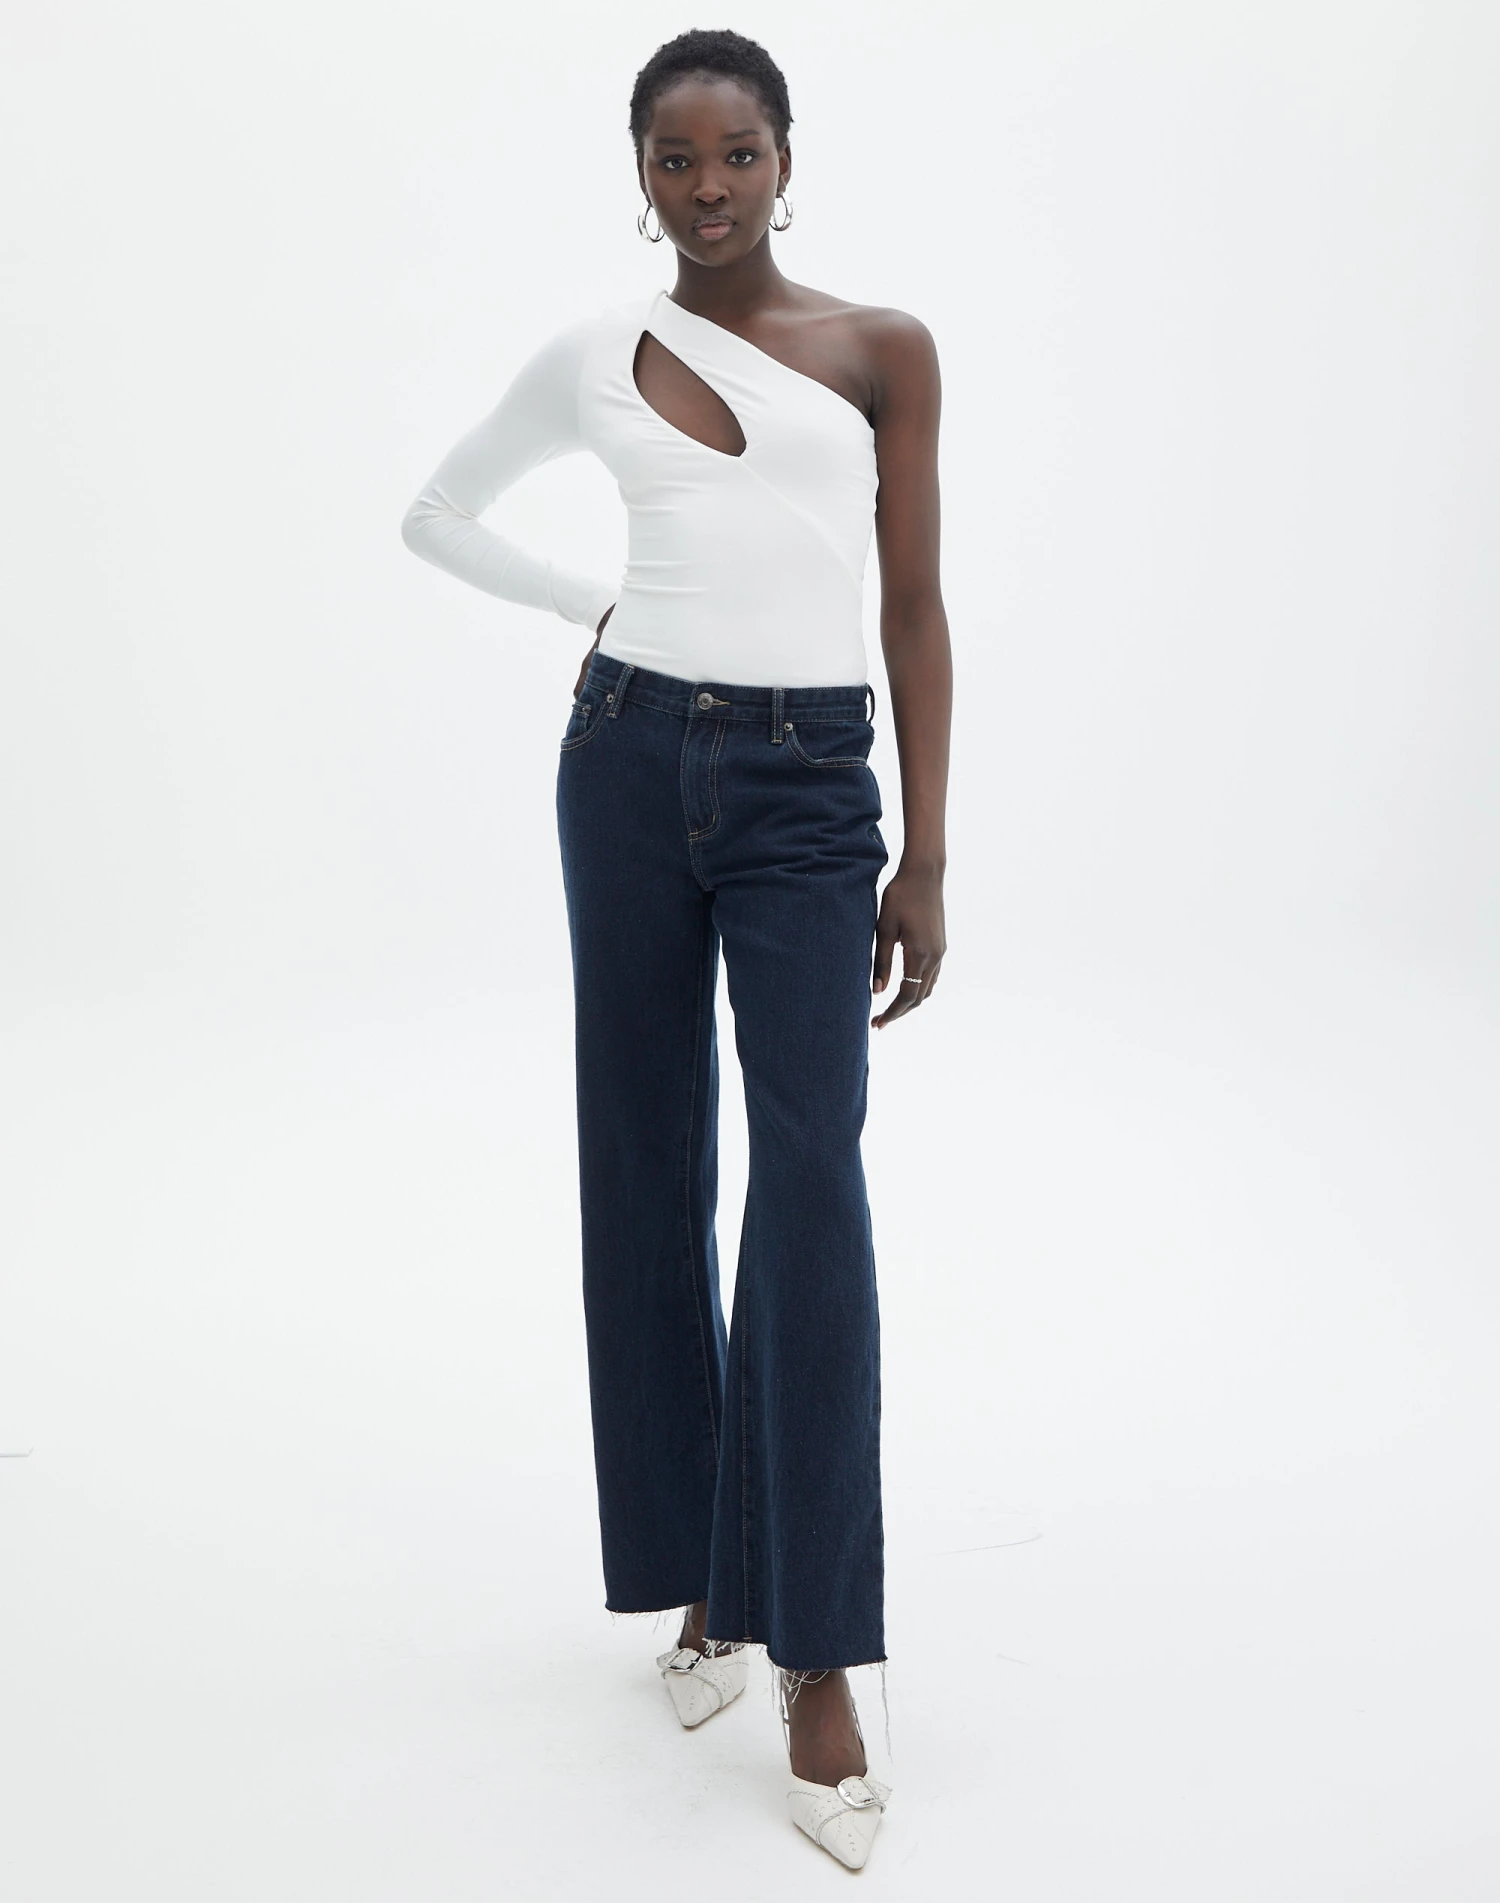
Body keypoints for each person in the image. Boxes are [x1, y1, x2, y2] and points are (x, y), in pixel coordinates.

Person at [399, 28, 951, 1872]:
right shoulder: (591, 352)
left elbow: (914, 602)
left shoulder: (880, 349)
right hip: (626, 765)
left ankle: (819, 1649)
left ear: (788, 156)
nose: (707, 187)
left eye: (737, 153)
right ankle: (697, 1582)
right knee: (644, 1162)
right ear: (640, 175)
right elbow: (435, 512)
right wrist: (598, 605)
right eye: (673, 158)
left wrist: (927, 852)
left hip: (810, 792)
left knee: (810, 1187)